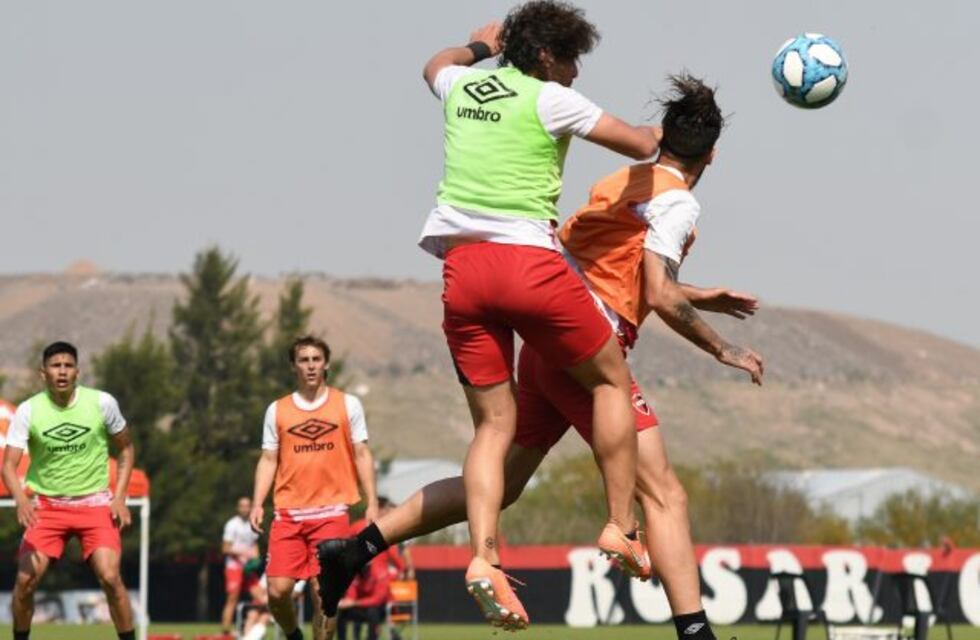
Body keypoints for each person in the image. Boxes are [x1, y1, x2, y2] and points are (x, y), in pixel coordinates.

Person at [320, 74, 764, 640]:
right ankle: (694, 630)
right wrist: (723, 348)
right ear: (713, 155)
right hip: (585, 354)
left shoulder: (623, 179)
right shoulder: (679, 203)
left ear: (665, 138)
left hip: (548, 343)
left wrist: (695, 294)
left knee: (499, 486)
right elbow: (655, 290)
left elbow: (603, 262)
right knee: (664, 493)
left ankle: (356, 547)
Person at [322, 1, 667, 630]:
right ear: (543, 55)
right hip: (529, 267)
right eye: (570, 59)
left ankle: (484, 558)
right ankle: (621, 525)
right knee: (611, 380)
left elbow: (435, 63)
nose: (574, 73)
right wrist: (668, 134)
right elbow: (642, 144)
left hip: (462, 276)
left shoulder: (459, 86)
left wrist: (476, 47)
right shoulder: (550, 98)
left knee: (492, 428)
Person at [1, 341, 137, 640]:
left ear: (77, 371)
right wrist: (22, 500)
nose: (61, 371)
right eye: (55, 365)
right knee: (24, 583)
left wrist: (120, 498)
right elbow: (8, 465)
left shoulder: (102, 403)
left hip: (96, 505)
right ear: (43, 372)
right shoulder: (29, 410)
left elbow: (126, 448)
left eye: (67, 365)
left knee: (111, 577)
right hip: (48, 508)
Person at [251, 335, 378, 640]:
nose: (311, 366)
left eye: (316, 360)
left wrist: (372, 502)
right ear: (294, 366)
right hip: (288, 516)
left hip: (332, 513)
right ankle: (294, 634)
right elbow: (268, 459)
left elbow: (362, 453)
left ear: (326, 364)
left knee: (324, 595)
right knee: (278, 591)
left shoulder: (347, 404)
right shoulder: (277, 410)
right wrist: (258, 503)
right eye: (304, 360)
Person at [220, 496, 261, 636]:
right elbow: (225, 548)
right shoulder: (232, 524)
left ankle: (253, 627)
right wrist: (243, 552)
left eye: (247, 506)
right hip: (234, 566)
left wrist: (256, 559)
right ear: (238, 508)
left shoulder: (253, 523)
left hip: (248, 568)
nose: (245, 508)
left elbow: (255, 546)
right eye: (242, 506)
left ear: (250, 507)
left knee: (261, 596)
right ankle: (226, 631)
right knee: (233, 598)